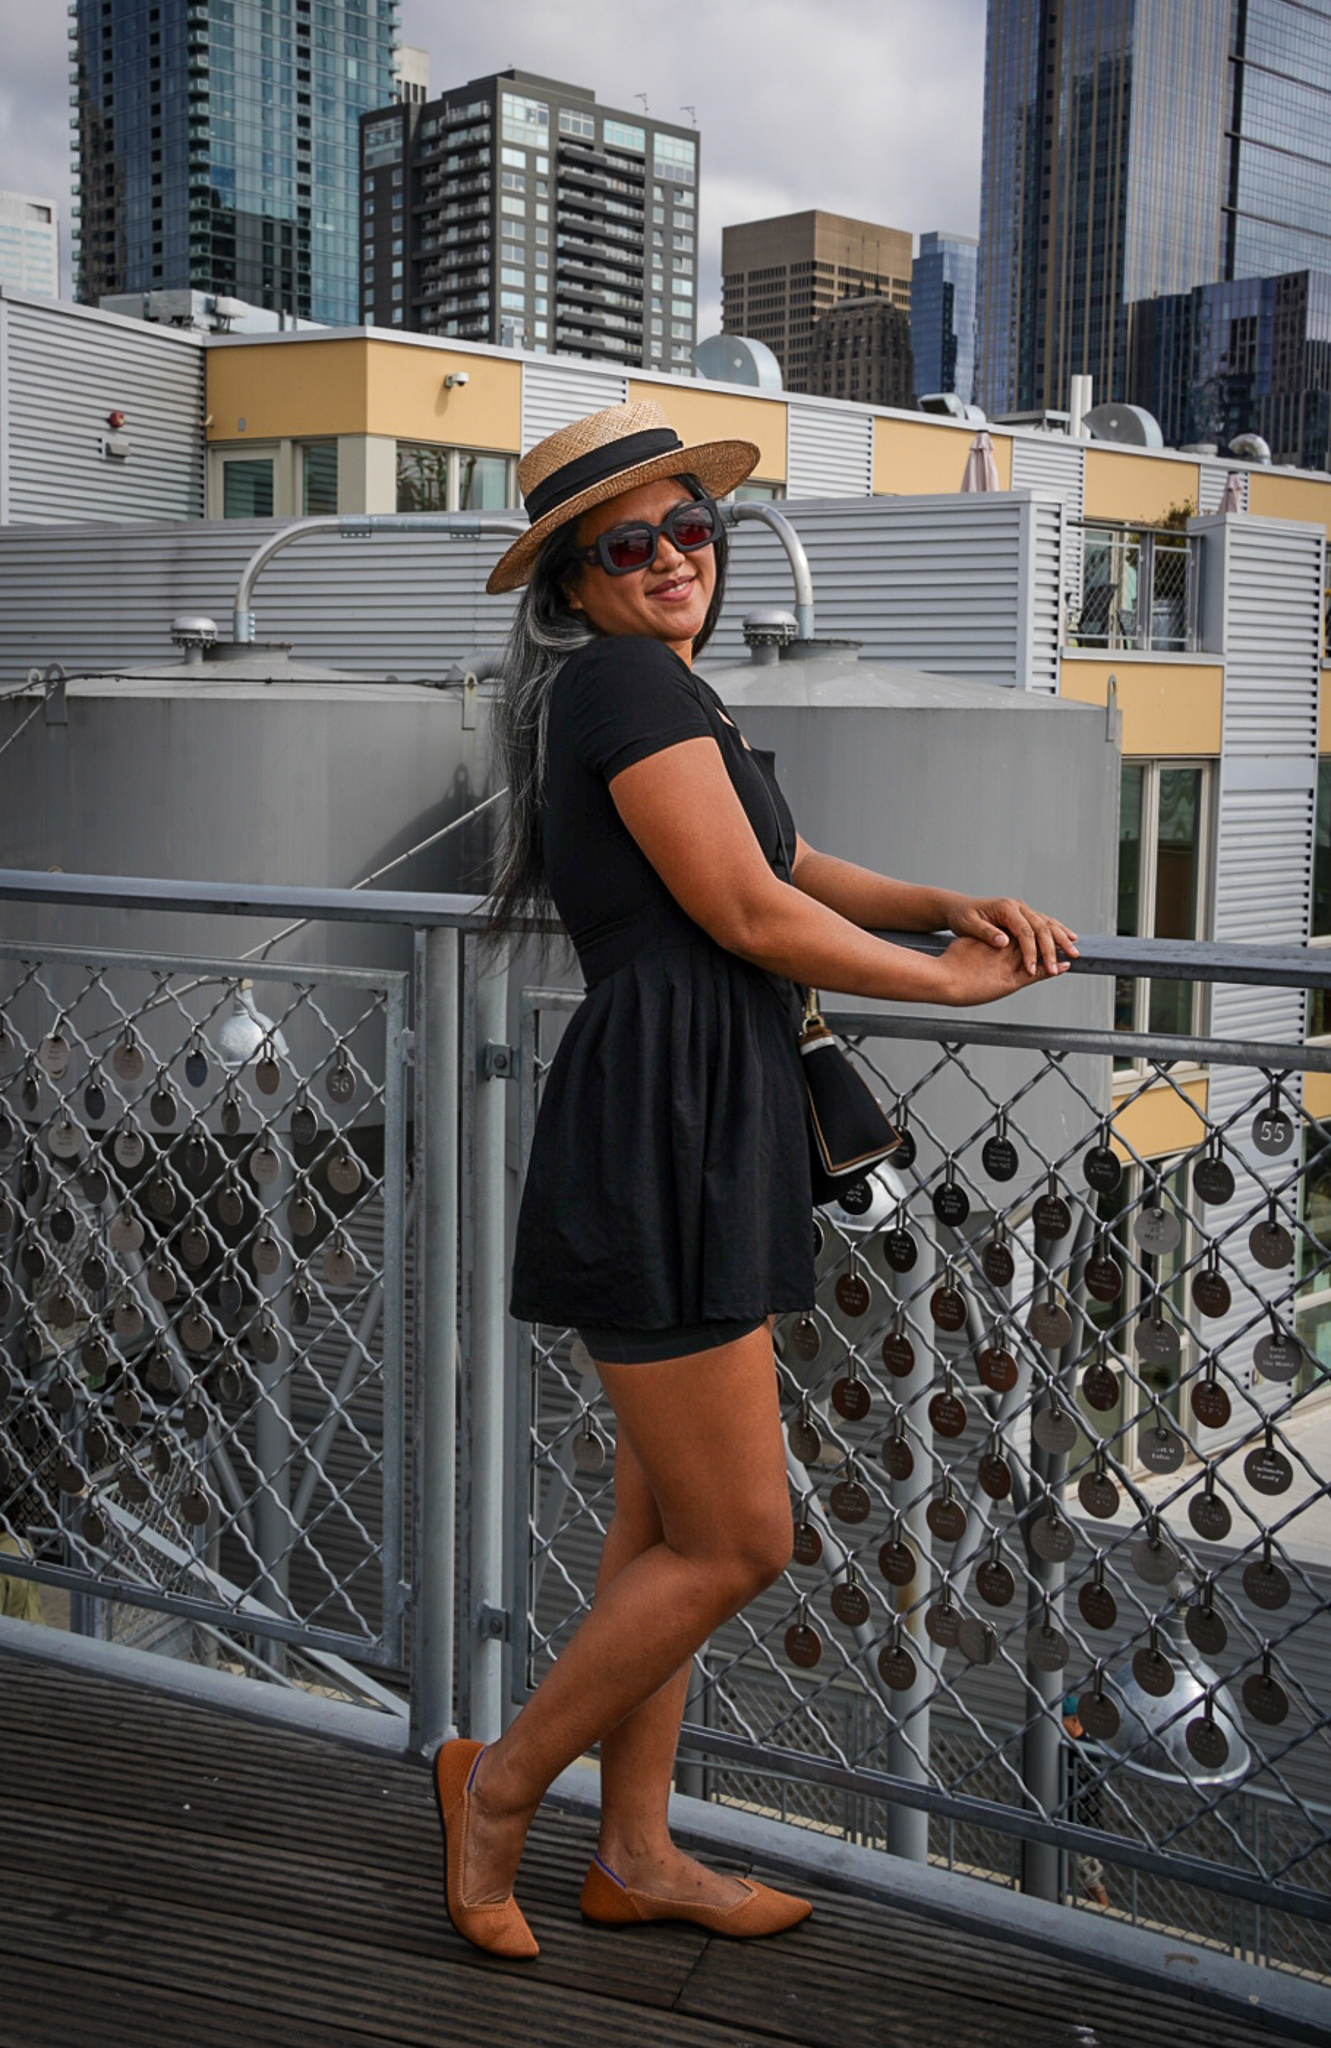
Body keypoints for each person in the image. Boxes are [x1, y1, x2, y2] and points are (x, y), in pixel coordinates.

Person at [432, 401, 1077, 1959]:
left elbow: (785, 864)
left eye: (690, 528)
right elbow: (747, 912)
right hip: (664, 1121)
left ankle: (637, 1854)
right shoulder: (622, 684)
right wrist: (951, 983)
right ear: (574, 581)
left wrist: (941, 901)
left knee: (664, 1520)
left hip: (701, 1113)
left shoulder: (664, 690)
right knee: (742, 1540)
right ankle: (497, 1789)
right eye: (629, 545)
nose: (673, 558)